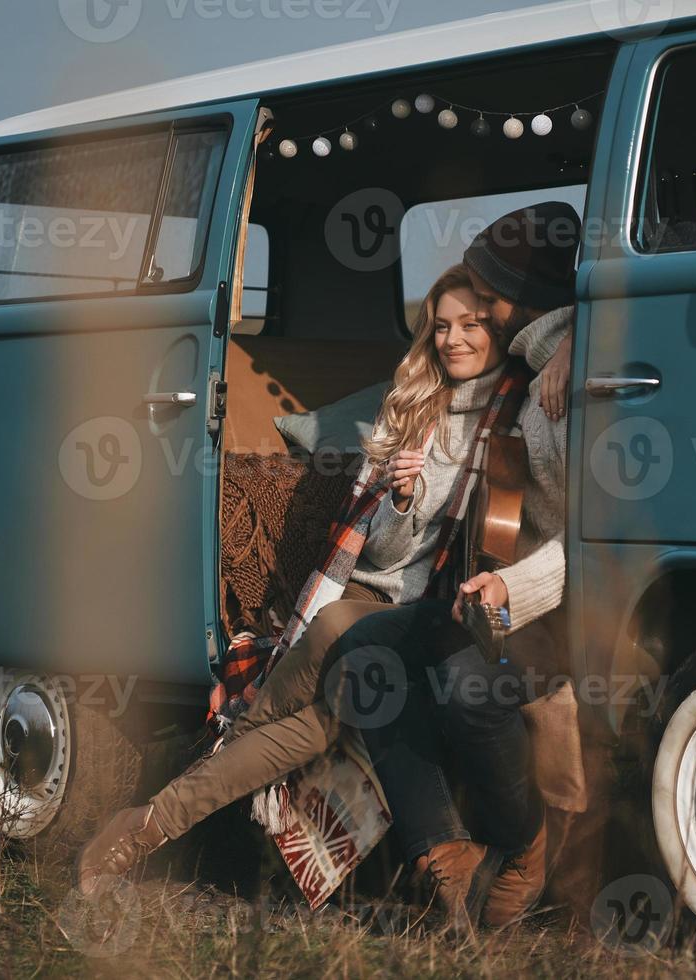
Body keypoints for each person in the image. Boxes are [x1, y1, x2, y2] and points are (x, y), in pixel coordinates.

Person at [75, 261, 569, 898]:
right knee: (321, 703)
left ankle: (149, 824)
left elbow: (575, 322)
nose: (454, 340)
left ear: (499, 332)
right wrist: (400, 501)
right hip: (369, 595)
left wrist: (566, 346)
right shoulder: (411, 408)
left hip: (426, 614)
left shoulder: (518, 412)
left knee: (309, 713)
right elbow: (384, 559)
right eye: (441, 326)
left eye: (472, 325)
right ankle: (152, 829)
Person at [323, 201, 579, 932]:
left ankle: (522, 846)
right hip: (496, 588)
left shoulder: (557, 391)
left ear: (518, 303)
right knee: (365, 648)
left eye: (488, 301)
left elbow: (588, 541)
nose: (475, 317)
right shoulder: (539, 362)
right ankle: (444, 855)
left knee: (466, 685)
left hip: (554, 598)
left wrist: (509, 587)